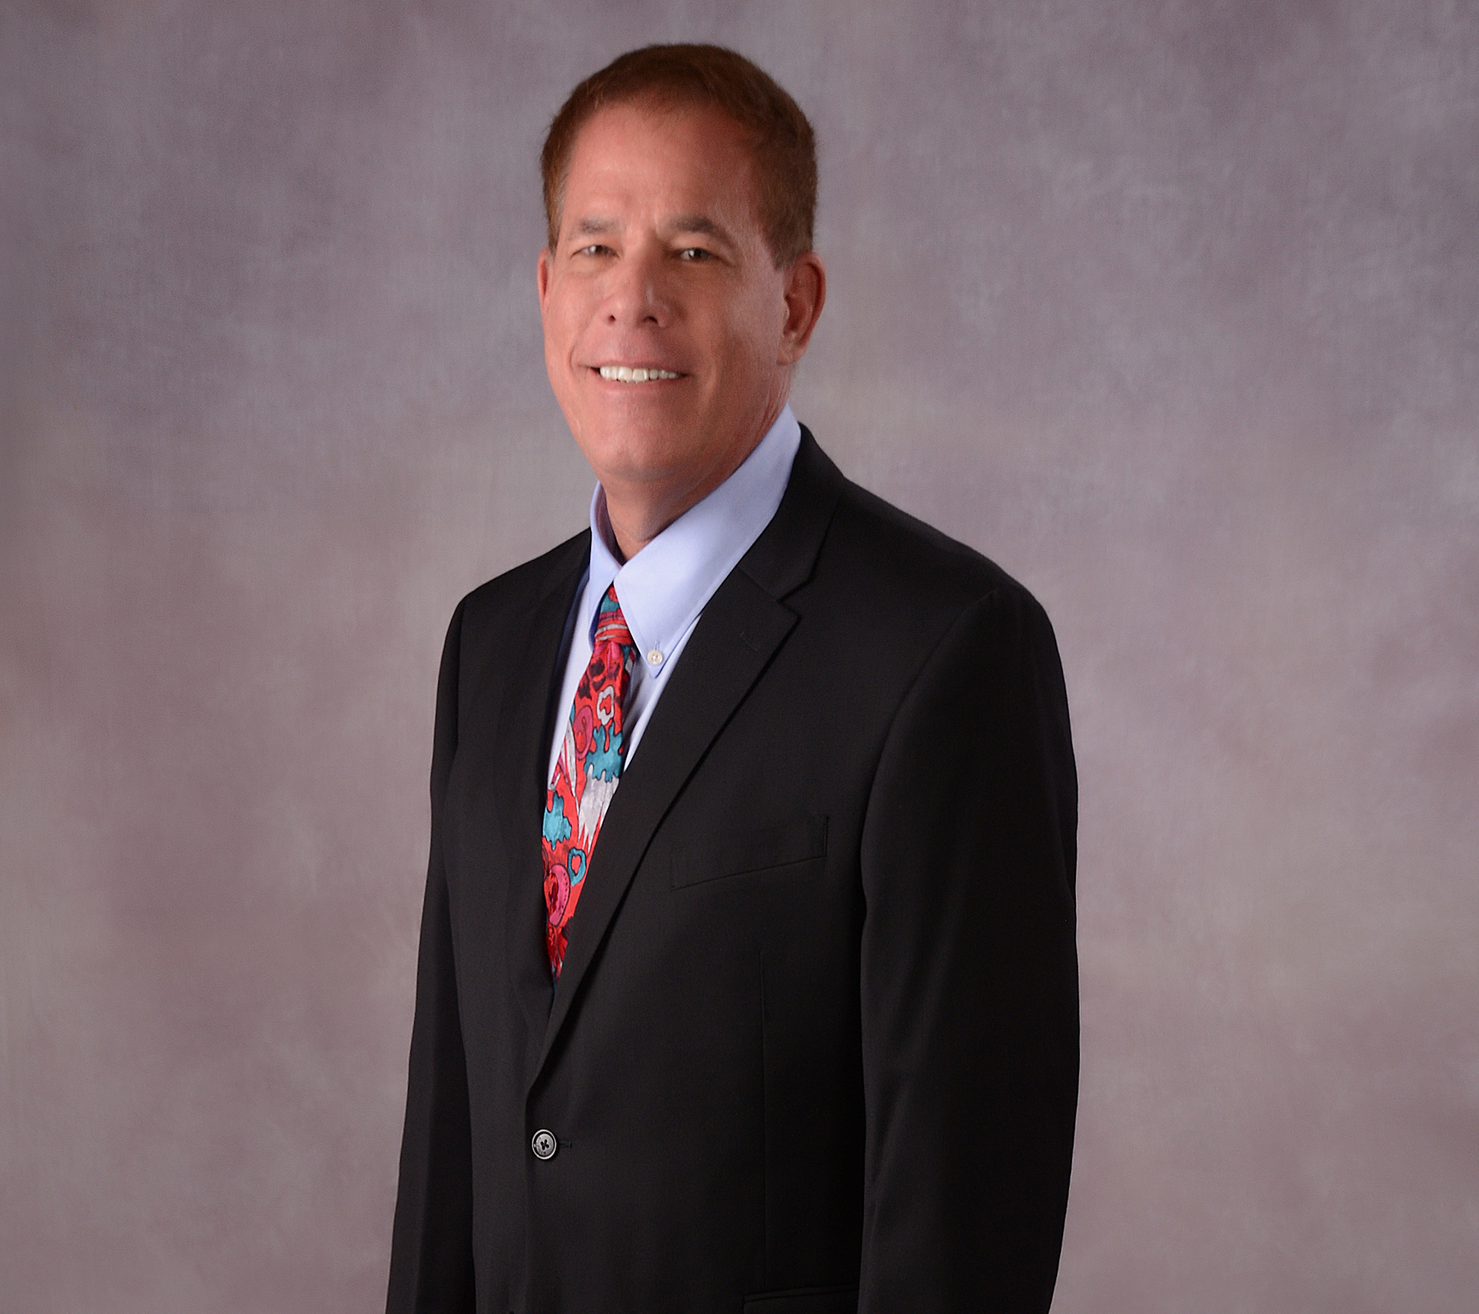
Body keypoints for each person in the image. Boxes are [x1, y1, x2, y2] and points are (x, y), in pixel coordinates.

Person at [386, 43, 1078, 1314]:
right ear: (544, 290)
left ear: (794, 305)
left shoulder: (945, 651)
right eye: (595, 248)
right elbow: (455, 1144)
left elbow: (962, 1221)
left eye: (694, 251)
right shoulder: (489, 644)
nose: (631, 299)